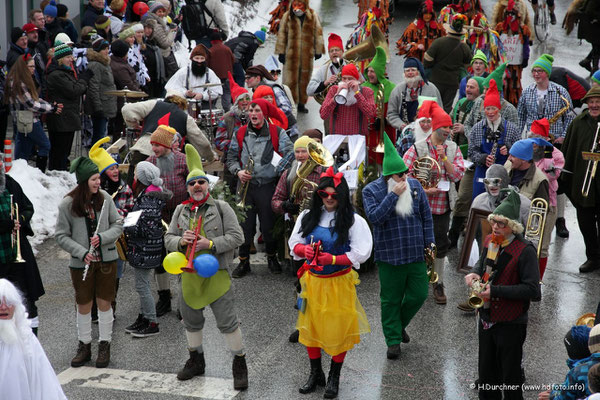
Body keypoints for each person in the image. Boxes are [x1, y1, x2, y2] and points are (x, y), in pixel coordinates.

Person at [164, 144, 248, 390]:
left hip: (217, 275)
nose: (197, 187)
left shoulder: (221, 208)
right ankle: (196, 360)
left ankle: (239, 363)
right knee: (191, 322)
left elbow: (238, 237)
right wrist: (181, 241)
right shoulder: (180, 210)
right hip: (189, 278)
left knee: (228, 322)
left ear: (207, 185)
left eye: (201, 182)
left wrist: (209, 243)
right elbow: (168, 238)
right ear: (188, 188)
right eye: (192, 184)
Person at [289, 166, 372, 398]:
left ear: (342, 196)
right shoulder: (308, 216)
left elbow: (361, 253)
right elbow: (294, 242)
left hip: (338, 283)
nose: (328, 199)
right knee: (310, 328)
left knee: (338, 330)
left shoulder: (353, 221)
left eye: (334, 195)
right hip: (312, 282)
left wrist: (333, 258)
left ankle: (334, 376)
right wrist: (303, 249)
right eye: (323, 194)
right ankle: (316, 374)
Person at [362, 134, 434, 359]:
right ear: (388, 176)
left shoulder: (414, 185)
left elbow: (426, 215)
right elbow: (375, 217)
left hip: (414, 253)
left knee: (419, 295)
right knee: (390, 300)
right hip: (389, 256)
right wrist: (392, 196)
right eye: (399, 175)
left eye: (405, 173)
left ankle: (398, 324)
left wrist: (430, 243)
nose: (404, 178)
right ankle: (393, 340)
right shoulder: (371, 191)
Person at [465, 189, 540, 400]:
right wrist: (473, 273)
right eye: (494, 221)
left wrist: (495, 291)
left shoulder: (525, 251)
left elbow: (533, 290)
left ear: (512, 227)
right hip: (487, 319)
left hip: (511, 322)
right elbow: (483, 263)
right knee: (487, 377)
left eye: (501, 223)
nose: (495, 226)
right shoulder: (491, 239)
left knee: (511, 378)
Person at [55, 156, 123, 369]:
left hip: (106, 260)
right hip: (80, 263)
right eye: (93, 179)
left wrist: (103, 238)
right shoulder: (67, 204)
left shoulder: (105, 199)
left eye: (98, 178)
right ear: (83, 181)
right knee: (83, 304)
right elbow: (61, 235)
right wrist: (81, 251)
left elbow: (118, 224)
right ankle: (84, 345)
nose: (98, 183)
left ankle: (105, 345)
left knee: (105, 302)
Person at [403, 103, 465, 304]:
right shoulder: (418, 147)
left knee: (440, 244)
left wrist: (444, 158)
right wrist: (423, 189)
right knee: (416, 243)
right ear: (435, 127)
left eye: (449, 127)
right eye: (444, 127)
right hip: (420, 205)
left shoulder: (453, 148)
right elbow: (404, 175)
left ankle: (438, 282)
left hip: (441, 207)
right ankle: (416, 281)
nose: (447, 131)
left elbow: (457, 174)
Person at [226, 99, 293, 277]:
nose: (253, 114)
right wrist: (238, 172)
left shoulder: (277, 132)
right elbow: (231, 157)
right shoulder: (240, 133)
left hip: (267, 185)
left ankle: (272, 258)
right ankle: (243, 261)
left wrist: (277, 169)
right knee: (244, 226)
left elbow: (290, 154)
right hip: (245, 186)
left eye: (257, 111)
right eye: (250, 111)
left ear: (264, 113)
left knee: (268, 225)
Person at [124, 161, 171, 337]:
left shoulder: (149, 200)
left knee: (142, 286)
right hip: (142, 249)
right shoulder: (147, 196)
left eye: (136, 174)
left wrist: (127, 227)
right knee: (141, 285)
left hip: (145, 250)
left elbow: (149, 229)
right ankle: (143, 317)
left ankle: (152, 322)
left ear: (143, 179)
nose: (134, 176)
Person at [146, 125, 189, 316]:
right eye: (152, 145)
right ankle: (164, 298)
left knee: (181, 257)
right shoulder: (149, 162)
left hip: (180, 217)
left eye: (157, 144)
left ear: (166, 144)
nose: (154, 148)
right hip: (158, 218)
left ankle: (184, 301)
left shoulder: (182, 160)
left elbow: (194, 183)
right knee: (160, 259)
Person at [89, 137, 134, 317]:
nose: (116, 171)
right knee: (95, 273)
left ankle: (109, 309)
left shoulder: (124, 188)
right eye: (111, 169)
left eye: (116, 167)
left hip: (116, 238)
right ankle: (93, 310)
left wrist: (117, 218)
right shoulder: (92, 191)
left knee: (115, 273)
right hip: (95, 238)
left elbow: (128, 209)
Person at [0, 155, 45, 335]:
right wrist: (7, 225)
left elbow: (28, 207)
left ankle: (30, 341)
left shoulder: (11, 184)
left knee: (27, 301)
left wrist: (20, 219)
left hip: (18, 254)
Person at [0, 279, 66, 400]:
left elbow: (44, 382)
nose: (4, 307)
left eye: (9, 302)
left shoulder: (26, 338)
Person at [560, 87, 600, 273]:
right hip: (583, 183)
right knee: (585, 222)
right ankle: (592, 257)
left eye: (597, 101)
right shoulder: (578, 123)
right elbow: (568, 151)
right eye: (590, 101)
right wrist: (564, 180)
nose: (594, 105)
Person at [6, 54, 62, 172]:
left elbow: (34, 100)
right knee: (45, 145)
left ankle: (21, 176)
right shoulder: (19, 83)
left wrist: (51, 105)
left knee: (23, 153)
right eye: (31, 66)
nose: (34, 69)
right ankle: (39, 173)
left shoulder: (19, 80)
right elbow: (31, 104)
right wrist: (51, 108)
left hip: (24, 120)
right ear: (23, 67)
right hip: (28, 120)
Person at [121, 95, 215, 163]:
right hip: (166, 158)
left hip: (142, 150)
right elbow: (203, 143)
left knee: (134, 187)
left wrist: (135, 125)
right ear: (181, 107)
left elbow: (126, 109)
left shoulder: (154, 105)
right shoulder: (186, 117)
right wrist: (211, 157)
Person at [468, 80, 522, 199]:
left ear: (499, 109)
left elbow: (520, 153)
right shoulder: (477, 128)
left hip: (503, 174)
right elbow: (471, 152)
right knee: (480, 202)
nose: (490, 112)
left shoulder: (511, 129)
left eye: (493, 108)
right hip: (482, 173)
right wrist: (482, 158)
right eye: (487, 109)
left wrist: (508, 150)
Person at [528, 118, 564, 279]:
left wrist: (547, 154)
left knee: (542, 246)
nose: (533, 144)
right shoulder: (527, 149)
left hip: (547, 204)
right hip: (528, 202)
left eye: (536, 140)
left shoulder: (556, 155)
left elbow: (552, 176)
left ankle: (538, 281)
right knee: (526, 243)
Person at [275, 0, 325, 113]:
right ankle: (288, 102)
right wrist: (281, 52)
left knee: (305, 79)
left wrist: (318, 49)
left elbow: (318, 33)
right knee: (289, 80)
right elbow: (282, 34)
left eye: (300, 4)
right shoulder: (287, 16)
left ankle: (302, 103)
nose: (297, 7)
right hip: (290, 55)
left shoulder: (312, 15)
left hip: (307, 54)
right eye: (295, 4)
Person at [46, 43, 90, 171]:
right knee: (60, 151)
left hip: (67, 117)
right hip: (62, 118)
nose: (71, 59)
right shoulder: (57, 74)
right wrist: (84, 80)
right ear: (60, 59)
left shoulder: (65, 72)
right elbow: (74, 90)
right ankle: (57, 174)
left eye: (71, 56)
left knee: (63, 151)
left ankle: (60, 173)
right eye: (68, 57)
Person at [423, 14, 472, 113]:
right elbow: (467, 66)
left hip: (435, 80)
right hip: (452, 83)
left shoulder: (438, 42)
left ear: (449, 30)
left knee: (433, 106)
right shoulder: (465, 47)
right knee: (446, 108)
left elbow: (427, 60)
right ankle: (443, 125)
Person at [387, 57, 442, 133]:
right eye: (407, 70)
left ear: (419, 72)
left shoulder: (432, 89)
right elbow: (391, 114)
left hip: (427, 132)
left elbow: (439, 113)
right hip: (404, 132)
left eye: (413, 70)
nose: (410, 73)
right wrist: (402, 126)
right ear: (404, 73)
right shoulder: (397, 90)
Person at [361, 46, 396, 164]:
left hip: (386, 130)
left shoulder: (391, 88)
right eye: (368, 71)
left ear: (379, 72)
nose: (369, 74)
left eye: (372, 71)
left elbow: (396, 111)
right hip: (369, 132)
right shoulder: (364, 87)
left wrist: (385, 121)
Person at [320, 63, 376, 136]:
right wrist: (335, 98)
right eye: (344, 78)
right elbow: (323, 115)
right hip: (337, 137)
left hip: (358, 138)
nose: (346, 82)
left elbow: (371, 114)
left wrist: (357, 93)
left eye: (350, 79)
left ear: (356, 80)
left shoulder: (367, 91)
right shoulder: (333, 90)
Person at [245, 65, 299, 139]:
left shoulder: (273, 88)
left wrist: (268, 116)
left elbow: (286, 108)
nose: (246, 81)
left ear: (258, 78)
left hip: (288, 131)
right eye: (245, 78)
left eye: (248, 78)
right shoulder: (253, 93)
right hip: (271, 132)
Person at [495, 0, 531, 107]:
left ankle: (514, 105)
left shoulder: (523, 29)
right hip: (502, 63)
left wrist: (525, 58)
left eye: (512, 14)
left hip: (515, 64)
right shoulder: (500, 28)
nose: (510, 16)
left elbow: (525, 46)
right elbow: (496, 43)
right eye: (508, 14)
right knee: (502, 83)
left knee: (514, 85)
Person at [165, 44, 223, 109]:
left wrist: (203, 95)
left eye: (202, 58)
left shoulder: (210, 73)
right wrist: (185, 93)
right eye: (197, 58)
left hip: (204, 104)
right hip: (185, 103)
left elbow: (216, 90)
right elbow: (171, 88)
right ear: (192, 59)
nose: (199, 61)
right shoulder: (183, 72)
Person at [85, 37, 117, 146]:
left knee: (102, 133)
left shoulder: (104, 63)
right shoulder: (95, 65)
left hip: (106, 103)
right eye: (104, 49)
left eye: (108, 48)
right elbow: (93, 86)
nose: (107, 51)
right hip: (100, 105)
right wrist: (98, 107)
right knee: (98, 135)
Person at [109, 39, 141, 141]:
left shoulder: (115, 62)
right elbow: (129, 85)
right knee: (120, 129)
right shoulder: (120, 68)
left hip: (121, 100)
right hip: (122, 101)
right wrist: (141, 94)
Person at [307, 33, 348, 105]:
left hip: (348, 106)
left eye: (337, 50)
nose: (334, 52)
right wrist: (325, 83)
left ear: (342, 51)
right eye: (331, 51)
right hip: (331, 107)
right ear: (329, 54)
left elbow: (363, 85)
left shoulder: (351, 66)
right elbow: (309, 90)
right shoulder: (324, 69)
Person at [143, 2, 178, 80]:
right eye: (159, 11)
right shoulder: (157, 26)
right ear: (153, 12)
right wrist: (172, 32)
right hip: (164, 56)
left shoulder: (159, 22)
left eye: (163, 11)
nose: (162, 14)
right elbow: (165, 43)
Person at [208, 31, 235, 111]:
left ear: (211, 41)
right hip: (227, 76)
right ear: (221, 40)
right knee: (227, 93)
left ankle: (212, 109)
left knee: (214, 94)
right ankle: (228, 110)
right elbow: (233, 60)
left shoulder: (210, 51)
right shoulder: (227, 49)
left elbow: (207, 65)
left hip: (215, 78)